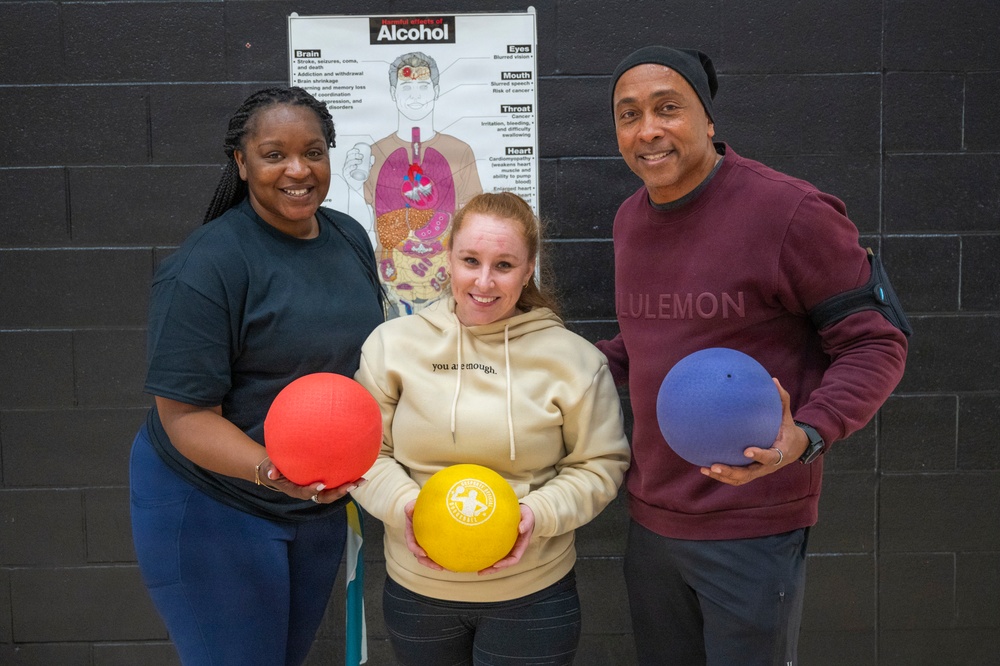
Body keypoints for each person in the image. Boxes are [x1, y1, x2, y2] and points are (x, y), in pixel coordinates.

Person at [598, 46, 909, 665]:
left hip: (753, 526)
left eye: (668, 108)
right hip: (653, 518)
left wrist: (810, 434)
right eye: (629, 115)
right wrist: (533, 363)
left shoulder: (789, 212)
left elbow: (877, 341)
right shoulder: (629, 219)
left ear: (709, 120)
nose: (648, 129)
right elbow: (643, 347)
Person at [128, 86, 385, 665]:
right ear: (242, 163)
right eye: (274, 155)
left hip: (308, 499)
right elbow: (186, 417)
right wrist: (274, 471)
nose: (298, 170)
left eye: (313, 152)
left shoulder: (347, 236)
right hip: (212, 501)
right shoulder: (206, 266)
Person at [349, 191, 631, 665]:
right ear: (449, 258)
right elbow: (366, 454)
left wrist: (536, 515)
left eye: (503, 265)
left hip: (533, 598)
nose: (483, 281)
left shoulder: (574, 360)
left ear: (528, 270)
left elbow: (599, 465)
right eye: (470, 260)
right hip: (418, 594)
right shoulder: (390, 346)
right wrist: (407, 507)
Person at [339, 50, 484, 316]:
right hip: (390, 285)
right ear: (393, 93)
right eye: (406, 87)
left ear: (436, 91)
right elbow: (364, 230)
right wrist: (351, 187)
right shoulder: (372, 155)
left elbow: (475, 225)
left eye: (423, 86)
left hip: (447, 286)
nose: (415, 96)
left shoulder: (460, 151)